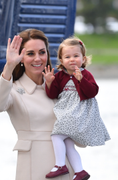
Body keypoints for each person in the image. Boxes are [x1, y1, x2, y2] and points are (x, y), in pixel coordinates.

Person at [0, 29, 75, 180]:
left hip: (67, 168)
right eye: (30, 54)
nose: (38, 58)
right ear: (21, 58)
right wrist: (9, 66)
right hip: (35, 168)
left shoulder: (60, 86)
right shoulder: (13, 89)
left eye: (42, 52)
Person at [43, 37, 110, 180]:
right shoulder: (60, 76)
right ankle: (80, 171)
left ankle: (60, 165)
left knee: (56, 135)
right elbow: (53, 95)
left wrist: (81, 80)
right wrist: (49, 83)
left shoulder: (85, 74)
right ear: (61, 60)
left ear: (83, 58)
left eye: (76, 56)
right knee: (67, 143)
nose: (72, 59)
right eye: (67, 57)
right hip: (66, 113)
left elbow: (92, 92)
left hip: (79, 113)